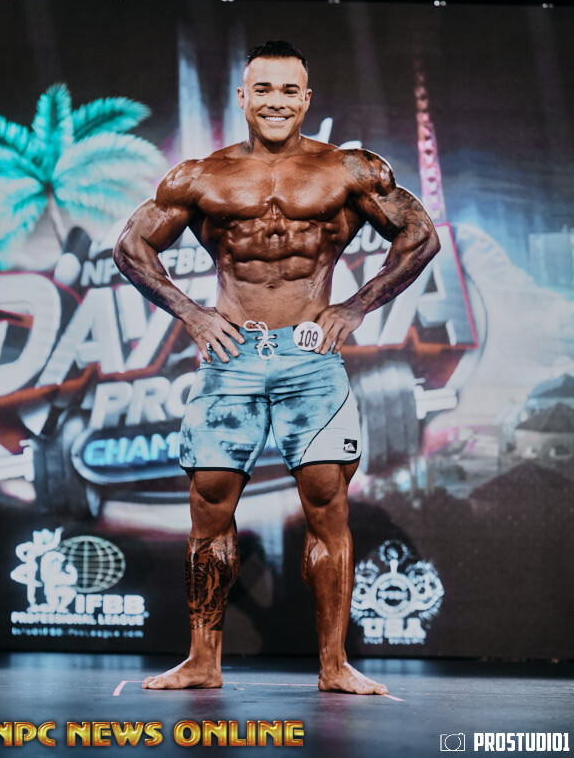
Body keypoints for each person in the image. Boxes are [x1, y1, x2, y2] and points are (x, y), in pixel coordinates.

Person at [113, 40, 440, 695]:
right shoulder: (200, 177)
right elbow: (130, 247)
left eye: (289, 91)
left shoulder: (346, 171)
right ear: (243, 97)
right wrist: (192, 315)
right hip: (232, 358)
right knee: (209, 508)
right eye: (263, 89)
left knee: (327, 507)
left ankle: (334, 665)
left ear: (306, 98)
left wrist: (354, 306)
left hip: (310, 359)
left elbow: (420, 235)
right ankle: (203, 660)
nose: (276, 102)